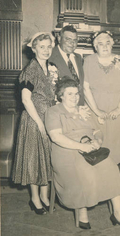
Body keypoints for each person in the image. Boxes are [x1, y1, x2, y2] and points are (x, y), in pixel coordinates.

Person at [45, 78, 120, 230]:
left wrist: (98, 141)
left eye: (76, 94)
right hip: (67, 152)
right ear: (61, 96)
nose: (74, 97)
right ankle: (82, 211)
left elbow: (97, 131)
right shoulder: (53, 112)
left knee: (111, 168)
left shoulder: (83, 110)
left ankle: (118, 213)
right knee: (85, 172)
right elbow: (56, 137)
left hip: (90, 149)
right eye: (70, 94)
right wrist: (81, 146)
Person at [12, 32, 57, 215]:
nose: (46, 50)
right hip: (33, 120)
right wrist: (39, 122)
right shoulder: (30, 69)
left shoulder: (51, 67)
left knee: (46, 158)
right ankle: (35, 199)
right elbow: (25, 100)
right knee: (34, 159)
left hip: (49, 117)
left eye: (48, 46)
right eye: (42, 47)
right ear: (34, 49)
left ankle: (45, 196)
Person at [83, 31, 120, 165]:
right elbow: (85, 89)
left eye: (107, 43)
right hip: (95, 107)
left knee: (115, 145)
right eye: (100, 44)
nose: (104, 46)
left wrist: (119, 108)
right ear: (95, 46)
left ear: (112, 44)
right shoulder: (89, 61)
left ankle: (113, 177)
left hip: (116, 109)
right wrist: (97, 111)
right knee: (97, 143)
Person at [48, 25, 85, 105]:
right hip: (60, 109)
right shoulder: (49, 56)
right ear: (59, 39)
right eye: (68, 39)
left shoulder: (79, 58)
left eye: (75, 40)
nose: (72, 43)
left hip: (80, 108)